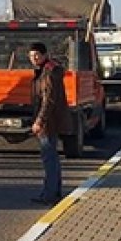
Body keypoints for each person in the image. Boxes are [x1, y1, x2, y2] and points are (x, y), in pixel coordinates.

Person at [29, 42, 71, 204]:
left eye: (37, 55)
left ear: (45, 55)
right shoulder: (47, 70)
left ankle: (49, 194)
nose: (34, 58)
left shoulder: (48, 72)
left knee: (49, 158)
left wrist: (39, 120)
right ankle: (54, 191)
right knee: (52, 157)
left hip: (49, 122)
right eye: (32, 56)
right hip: (51, 120)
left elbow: (48, 100)